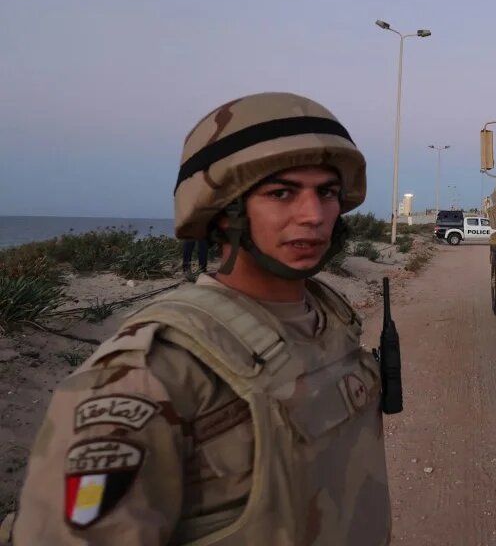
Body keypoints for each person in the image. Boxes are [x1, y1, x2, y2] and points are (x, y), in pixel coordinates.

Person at [3, 92, 391, 545]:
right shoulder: (147, 374)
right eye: (281, 193)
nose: (314, 215)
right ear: (223, 213)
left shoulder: (330, 316)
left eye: (326, 192)